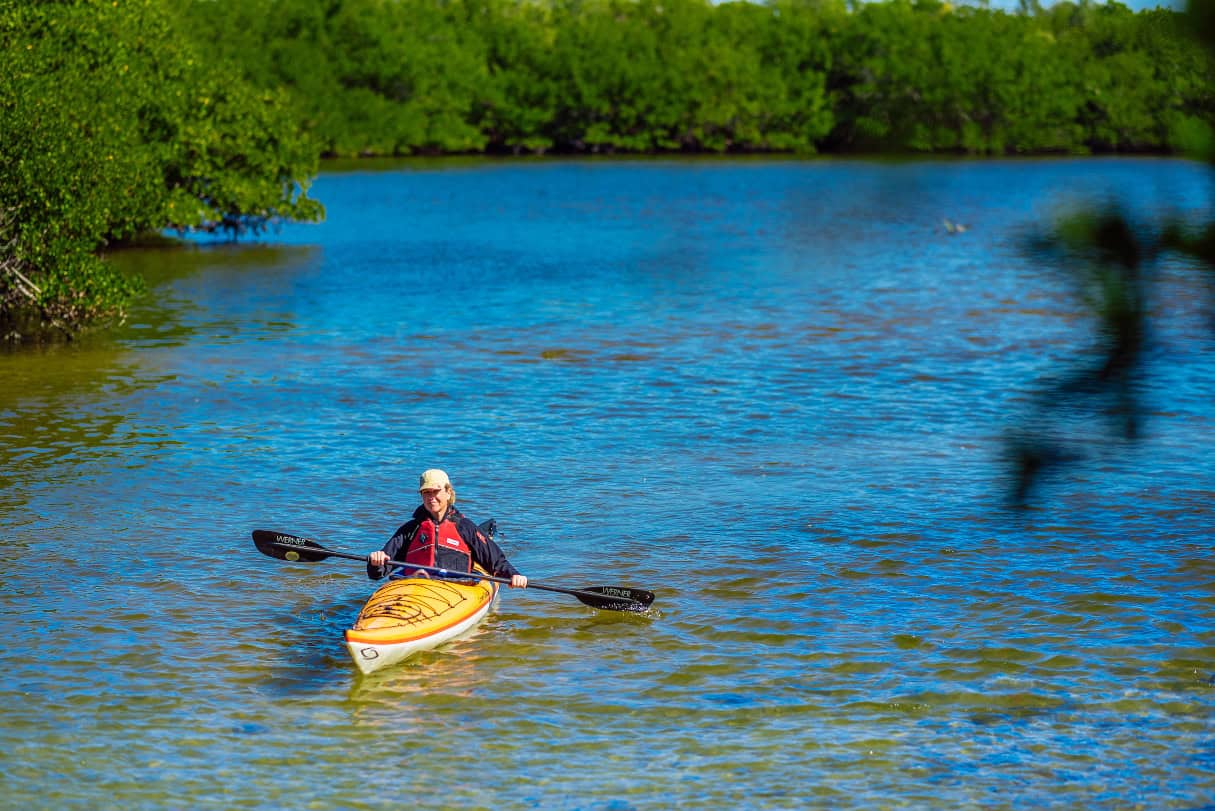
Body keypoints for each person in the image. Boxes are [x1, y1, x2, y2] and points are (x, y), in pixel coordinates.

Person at [367, 468, 528, 589]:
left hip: (456, 588)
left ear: (448, 492)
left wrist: (514, 575)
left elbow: (495, 561)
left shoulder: (465, 527)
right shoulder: (410, 529)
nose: (431, 498)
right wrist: (376, 562)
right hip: (415, 588)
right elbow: (377, 573)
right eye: (426, 493)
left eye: (435, 491)